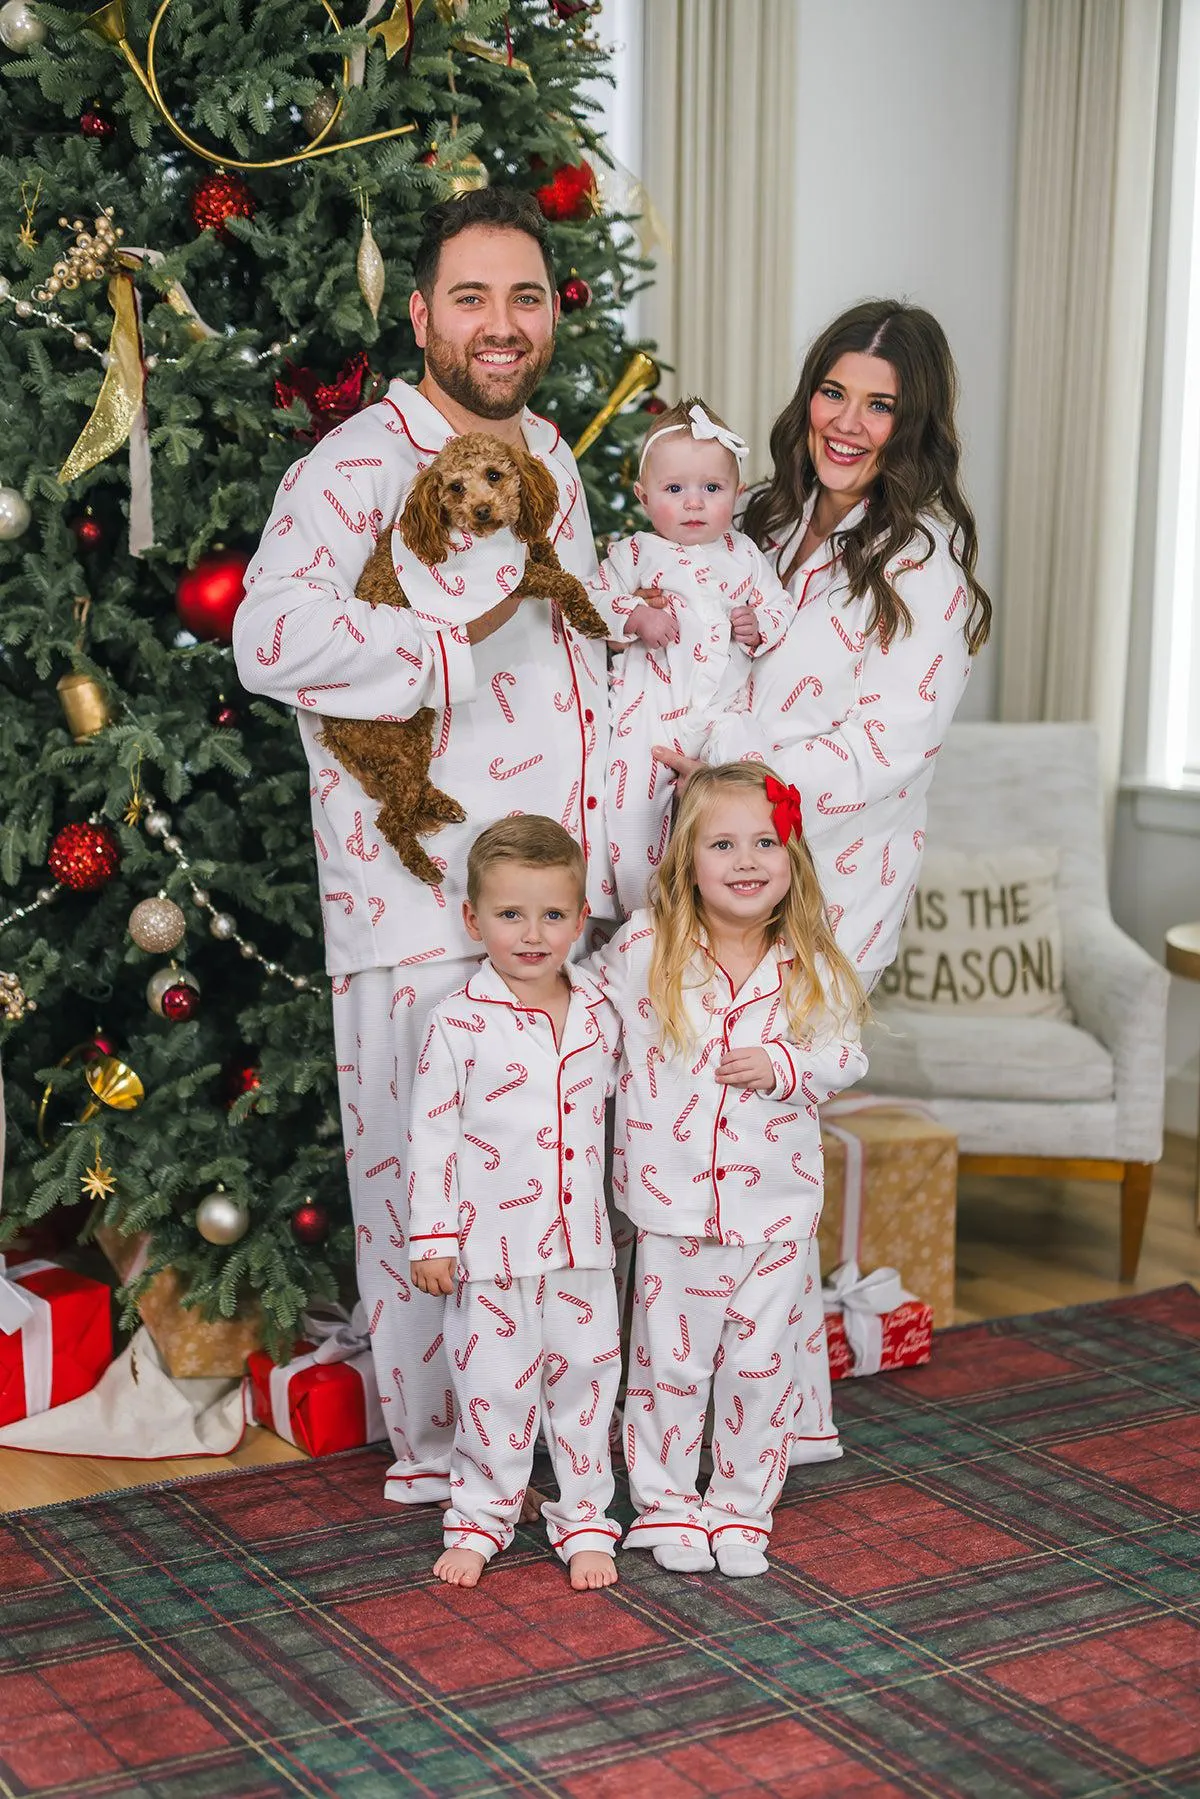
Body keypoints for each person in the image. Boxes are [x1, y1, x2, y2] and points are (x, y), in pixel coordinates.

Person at [234, 188, 621, 1507]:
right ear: (420, 313)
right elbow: (266, 639)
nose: (500, 324)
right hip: (415, 904)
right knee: (427, 1203)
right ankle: (445, 1456)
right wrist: (438, 647)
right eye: (471, 297)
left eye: (525, 296)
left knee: (554, 1196)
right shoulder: (353, 465)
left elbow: (573, 655)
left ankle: (550, 1443)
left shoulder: (554, 456)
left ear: (552, 311)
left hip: (557, 909)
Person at [653, 300, 993, 1467]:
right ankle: (694, 1406)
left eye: (881, 403)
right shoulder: (761, 518)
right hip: (717, 861)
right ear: (809, 396)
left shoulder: (927, 565)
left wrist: (731, 764)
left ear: (915, 423)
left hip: (829, 887)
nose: (849, 421)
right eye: (835, 392)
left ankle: (772, 1421)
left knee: (766, 1159)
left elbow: (883, 748)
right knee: (690, 1127)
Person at [589, 764, 867, 1577]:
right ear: (687, 858)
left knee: (757, 1364)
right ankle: (666, 1503)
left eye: (764, 842)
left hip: (777, 1211)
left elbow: (846, 1052)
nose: (746, 860)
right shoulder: (648, 946)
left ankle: (741, 1507)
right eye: (722, 843)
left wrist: (785, 1064)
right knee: (670, 1364)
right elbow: (587, 1015)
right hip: (675, 1207)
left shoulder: (810, 956)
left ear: (792, 857)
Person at [408, 817, 622, 1592]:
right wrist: (431, 1237)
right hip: (490, 1249)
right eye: (510, 915)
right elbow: (431, 1137)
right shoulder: (457, 1023)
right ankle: (481, 1516)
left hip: (583, 1248)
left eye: (553, 915)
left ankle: (587, 1517)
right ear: (473, 919)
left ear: (579, 919)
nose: (533, 934)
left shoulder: (601, 1010)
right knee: (493, 1388)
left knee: (587, 1384)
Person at [595, 397, 796, 914]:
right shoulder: (633, 554)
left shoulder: (745, 554)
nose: (693, 503)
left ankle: (728, 900)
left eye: (712, 489)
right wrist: (633, 617)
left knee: (744, 783)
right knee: (633, 813)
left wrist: (759, 626)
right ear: (643, 496)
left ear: (737, 493)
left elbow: (779, 606)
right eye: (674, 489)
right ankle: (643, 914)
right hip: (650, 720)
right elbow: (590, 604)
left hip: (722, 714)